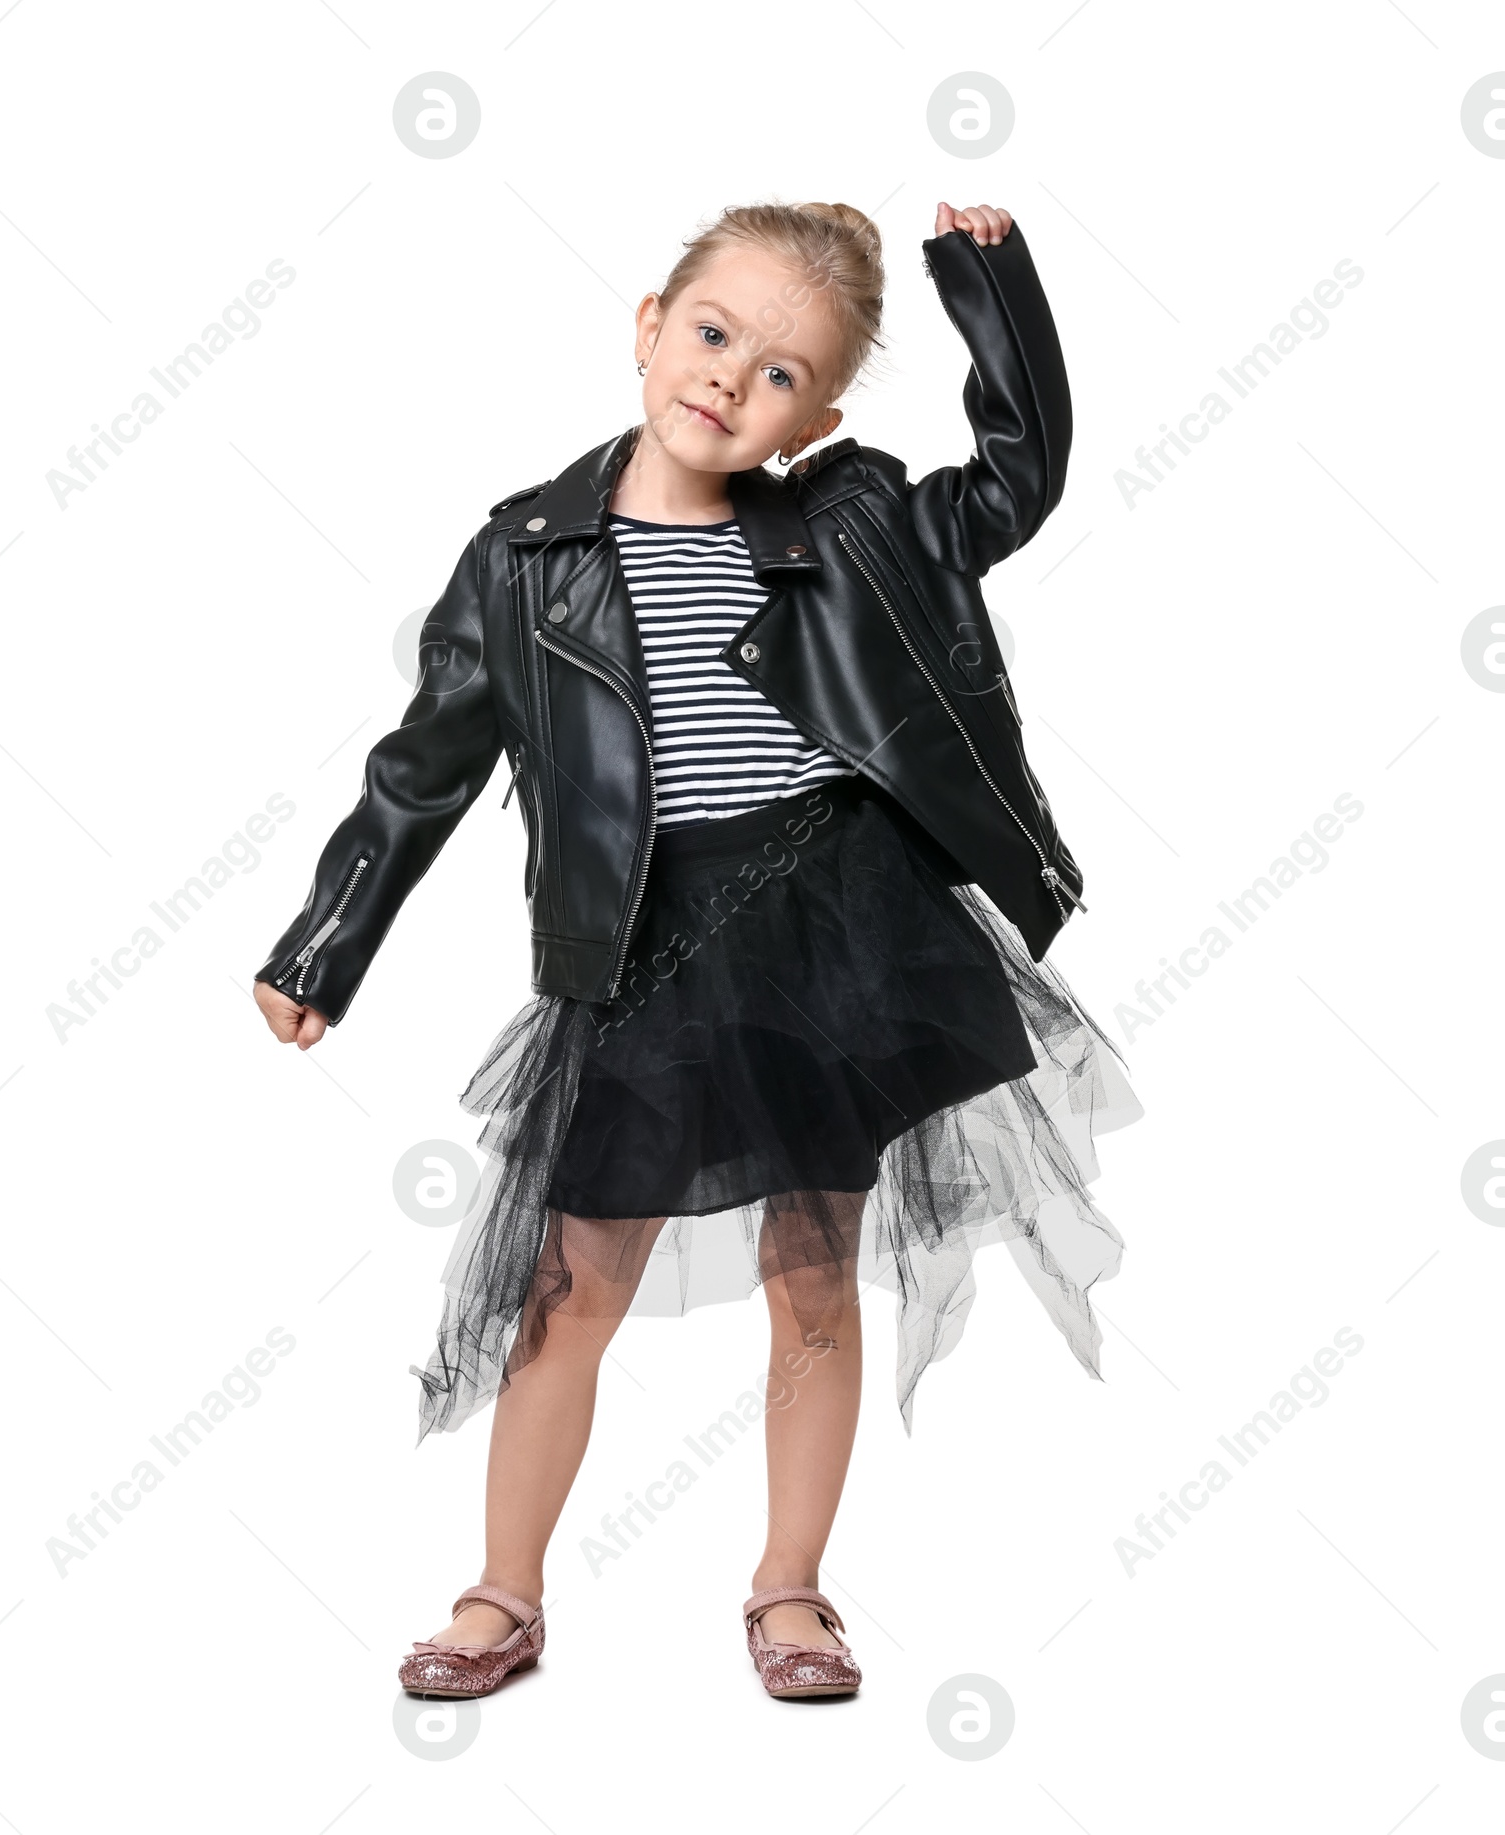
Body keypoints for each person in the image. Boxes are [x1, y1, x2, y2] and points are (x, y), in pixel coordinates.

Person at [253, 198, 1144, 1702]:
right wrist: (327, 942)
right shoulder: (525, 557)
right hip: (651, 949)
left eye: (782, 373)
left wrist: (989, 285)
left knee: (817, 1273)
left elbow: (1016, 482)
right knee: (569, 1287)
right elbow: (427, 765)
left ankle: (791, 1592)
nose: (733, 380)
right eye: (716, 334)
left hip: (839, 929)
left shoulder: (853, 524)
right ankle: (500, 1594)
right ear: (650, 323)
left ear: (823, 417)